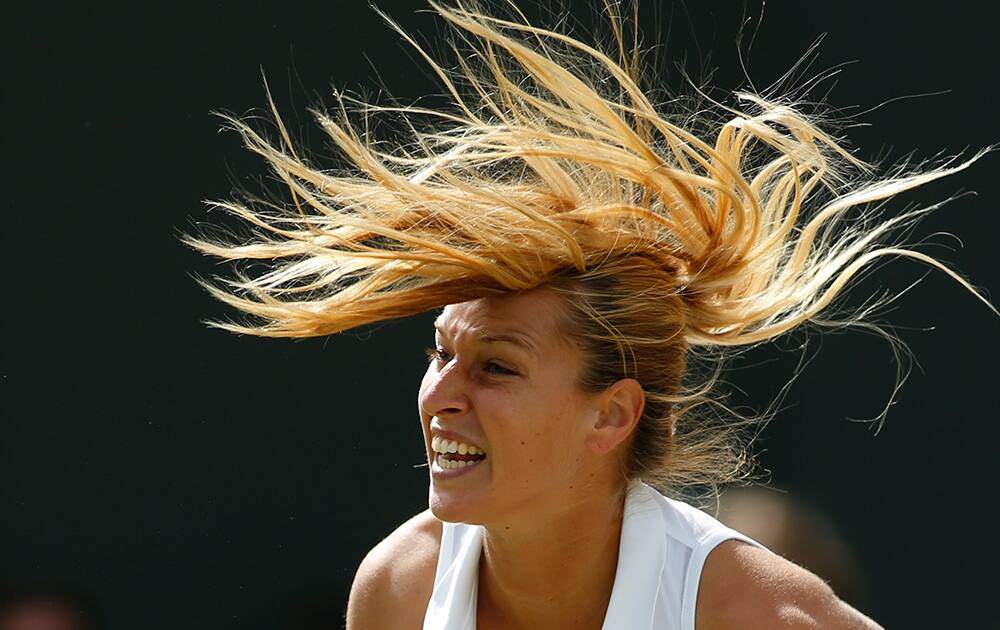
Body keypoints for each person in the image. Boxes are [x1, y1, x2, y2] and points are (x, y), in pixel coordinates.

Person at [184, 2, 992, 628]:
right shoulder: (397, 591)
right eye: (440, 354)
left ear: (611, 415)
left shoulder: (756, 615)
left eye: (497, 366)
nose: (441, 394)